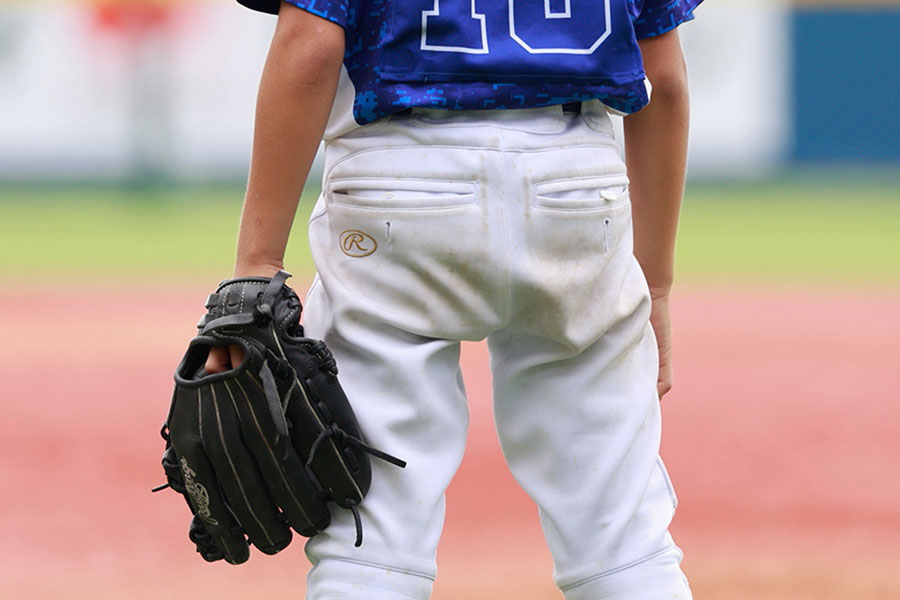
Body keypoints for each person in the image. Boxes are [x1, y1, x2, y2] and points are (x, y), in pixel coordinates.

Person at [205, 1, 701, 598]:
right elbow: (662, 80)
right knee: (622, 538)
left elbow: (310, 42)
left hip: (398, 173)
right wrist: (658, 283)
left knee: (373, 538)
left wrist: (256, 269)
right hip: (576, 181)